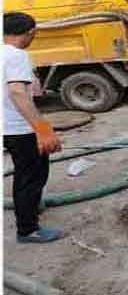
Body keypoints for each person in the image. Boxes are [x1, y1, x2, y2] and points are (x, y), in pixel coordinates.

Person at [3, 12, 64, 243]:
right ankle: (27, 229)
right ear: (30, 33)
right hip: (20, 129)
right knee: (32, 176)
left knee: (25, 172)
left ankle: (30, 209)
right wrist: (43, 129)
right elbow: (17, 92)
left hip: (6, 128)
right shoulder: (18, 55)